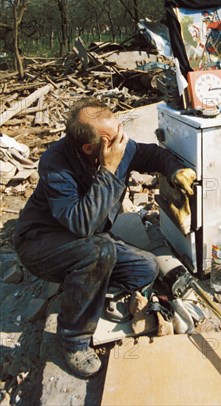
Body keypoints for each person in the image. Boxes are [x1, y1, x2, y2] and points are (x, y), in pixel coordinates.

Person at [14, 99, 196, 378]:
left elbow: (151, 155)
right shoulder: (55, 163)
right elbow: (82, 224)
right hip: (41, 244)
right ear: (90, 148)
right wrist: (109, 170)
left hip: (87, 243)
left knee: (145, 268)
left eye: (121, 131)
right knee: (98, 250)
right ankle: (73, 340)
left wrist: (175, 171)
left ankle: (83, 282)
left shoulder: (117, 146)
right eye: (115, 139)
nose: (123, 142)